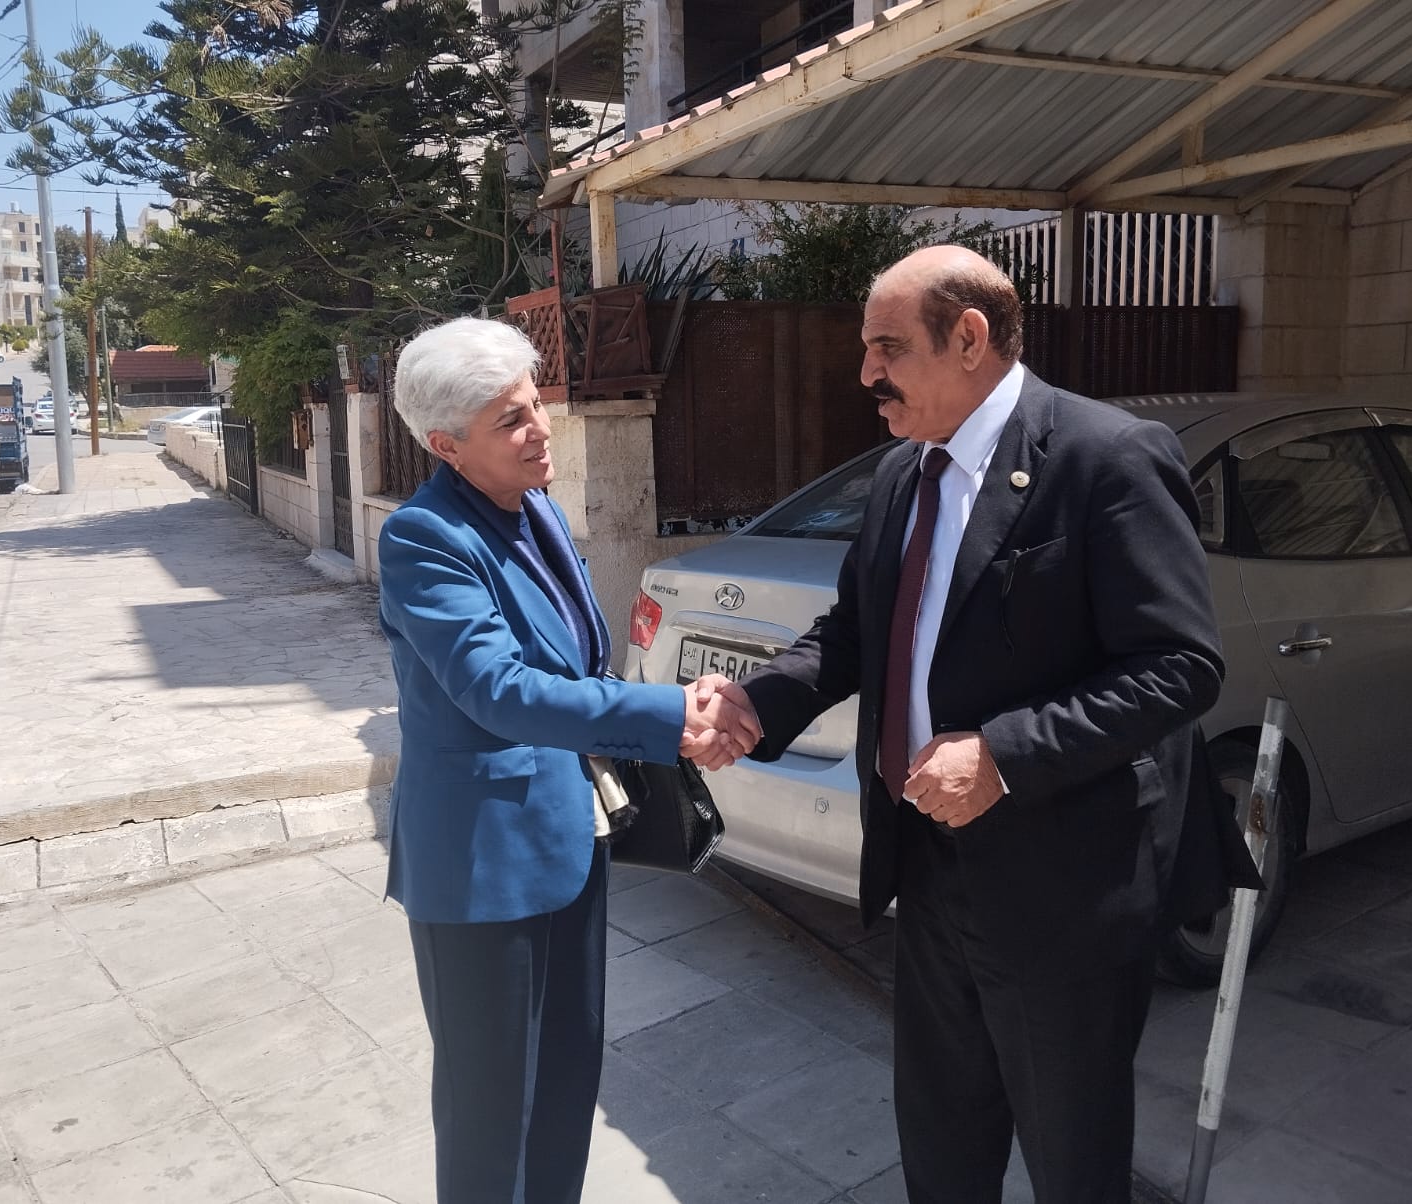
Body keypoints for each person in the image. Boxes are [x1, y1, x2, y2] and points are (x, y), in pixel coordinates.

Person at [700, 246, 1247, 1204]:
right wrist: (760, 700)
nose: (865, 373)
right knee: (943, 1149)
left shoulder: (1105, 457)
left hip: (1062, 888)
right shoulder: (902, 475)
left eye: (887, 347)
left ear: (969, 338)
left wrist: (1004, 754)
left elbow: (1179, 666)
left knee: (1073, 1165)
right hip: (926, 867)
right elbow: (854, 633)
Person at [378, 317, 759, 1204]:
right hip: (481, 865)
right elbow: (500, 691)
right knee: (489, 1113)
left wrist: (666, 717)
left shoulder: (537, 507)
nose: (539, 429)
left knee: (563, 1086)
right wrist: (670, 715)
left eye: (535, 403)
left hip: (566, 839)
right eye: (509, 420)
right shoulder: (425, 538)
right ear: (446, 446)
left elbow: (579, 665)